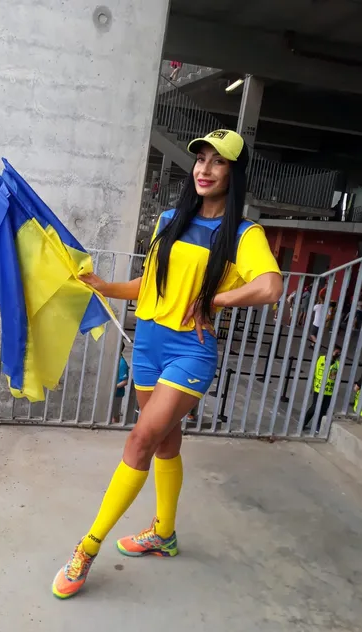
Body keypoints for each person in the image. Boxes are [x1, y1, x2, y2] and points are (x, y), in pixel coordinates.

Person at [51, 129, 282, 599]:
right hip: (148, 344)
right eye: (201, 158)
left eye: (218, 161)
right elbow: (149, 283)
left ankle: (86, 549)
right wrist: (105, 286)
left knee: (140, 439)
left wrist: (216, 299)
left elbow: (270, 286)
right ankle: (164, 534)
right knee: (164, 442)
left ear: (234, 173)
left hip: (190, 351)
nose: (204, 168)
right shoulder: (170, 219)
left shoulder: (243, 234)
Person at [303, 346, 341, 432]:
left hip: (329, 391)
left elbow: (336, 379)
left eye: (339, 353)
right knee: (314, 407)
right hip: (318, 389)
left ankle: (318, 426)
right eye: (336, 352)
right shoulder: (320, 359)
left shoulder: (337, 364)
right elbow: (314, 372)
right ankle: (303, 423)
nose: (338, 355)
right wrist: (311, 386)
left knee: (323, 410)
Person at [112, 344, 129, 423]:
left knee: (114, 415)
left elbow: (125, 381)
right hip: (110, 393)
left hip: (117, 394)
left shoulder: (122, 363)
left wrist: (113, 387)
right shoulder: (113, 360)